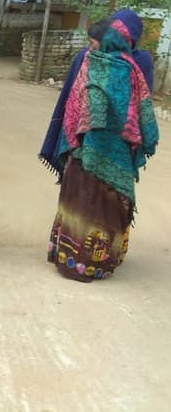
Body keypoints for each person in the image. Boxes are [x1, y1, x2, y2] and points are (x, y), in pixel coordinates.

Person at [46, 21, 158, 282]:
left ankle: (77, 261)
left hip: (90, 150)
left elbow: (85, 106)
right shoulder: (131, 69)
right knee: (101, 206)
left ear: (107, 40)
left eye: (92, 42)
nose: (90, 47)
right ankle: (96, 263)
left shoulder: (99, 65)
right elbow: (143, 112)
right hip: (108, 153)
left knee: (88, 203)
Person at [39, 8, 154, 178]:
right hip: (97, 144)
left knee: (87, 187)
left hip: (95, 143)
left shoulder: (138, 61)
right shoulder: (89, 56)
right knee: (97, 187)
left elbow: (142, 104)